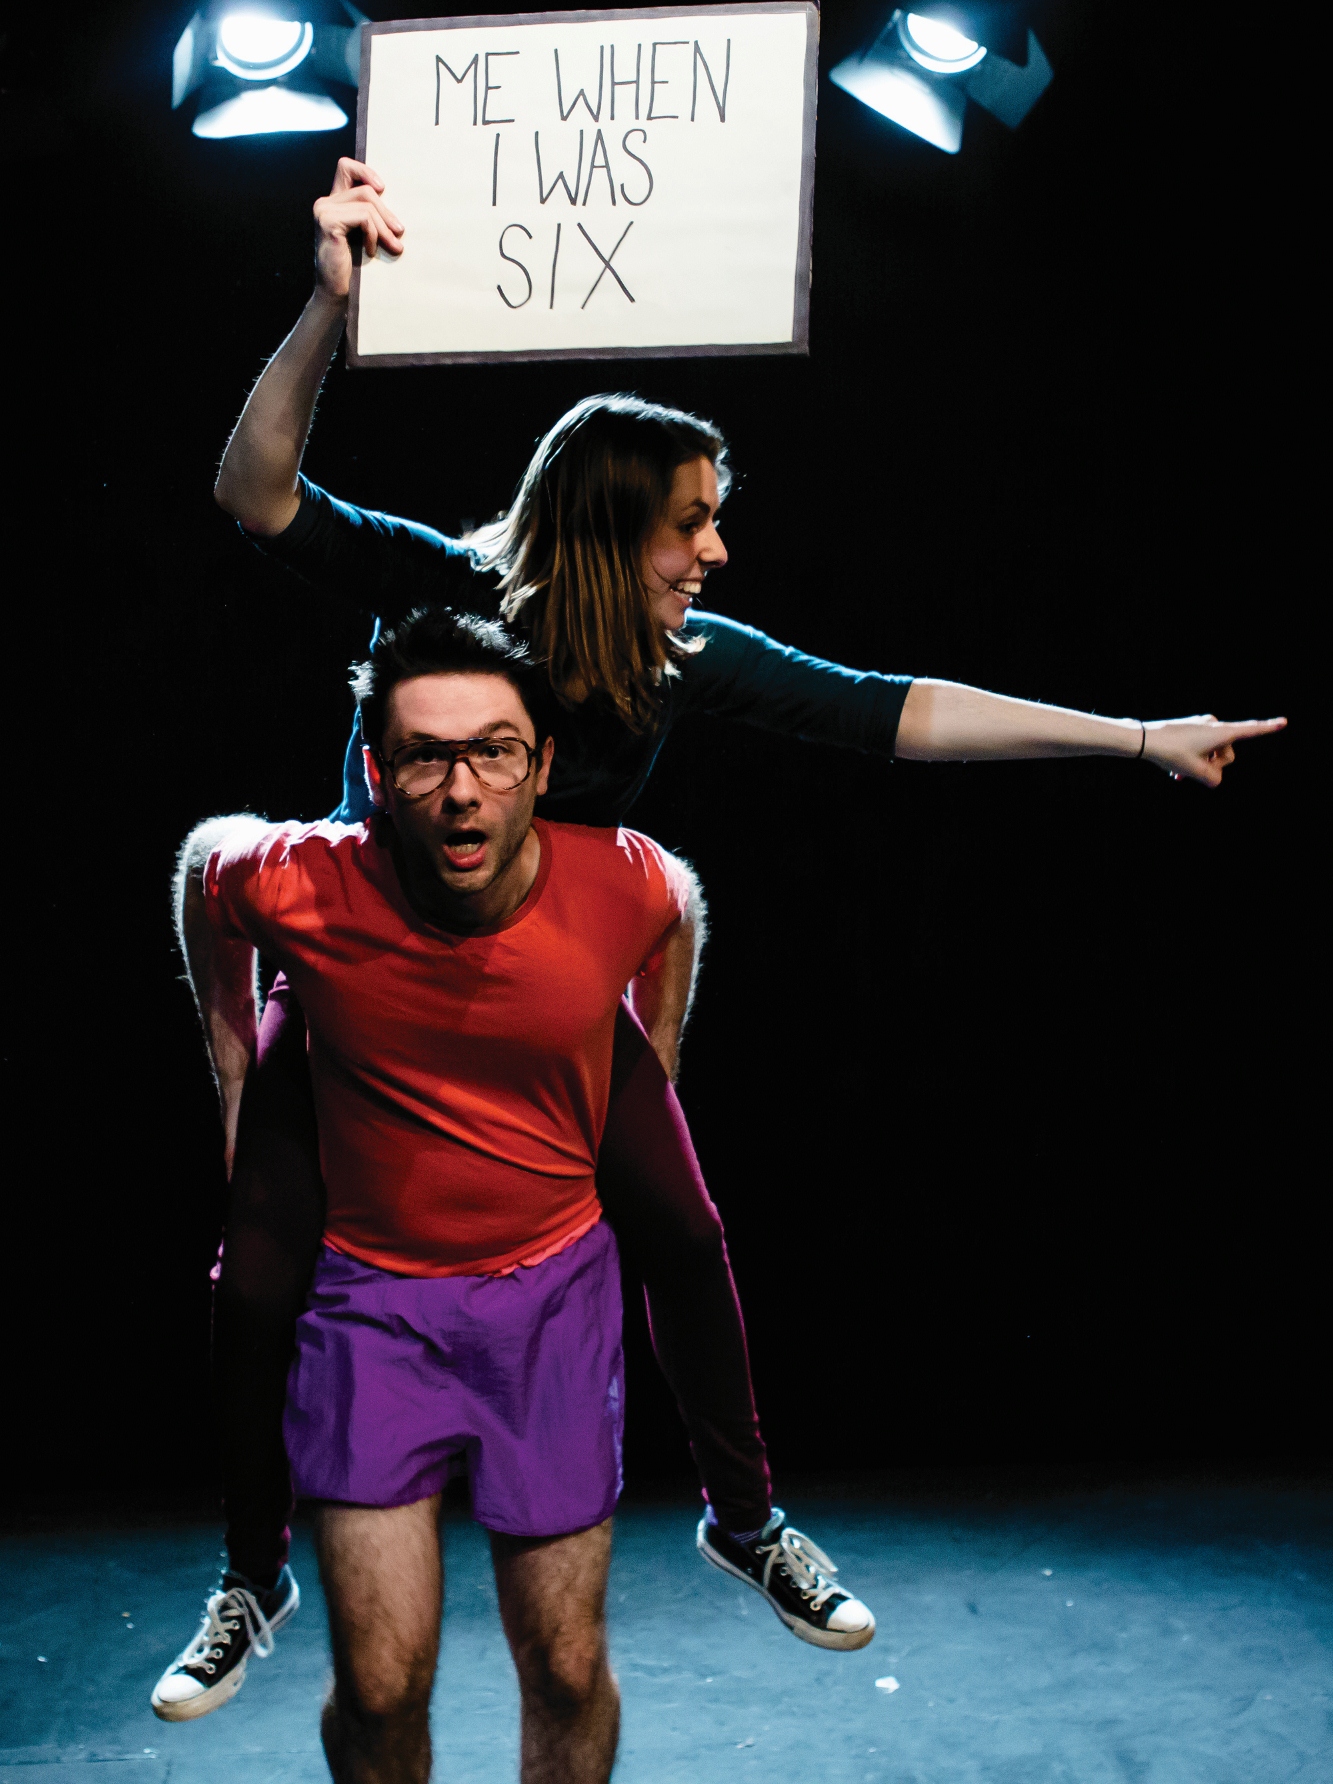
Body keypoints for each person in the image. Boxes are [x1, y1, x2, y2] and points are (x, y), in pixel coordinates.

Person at [158, 157, 1285, 1719]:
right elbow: (256, 495)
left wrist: (1137, 738)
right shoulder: (452, 594)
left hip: (546, 1003)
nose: (716, 549)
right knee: (255, 1282)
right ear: (615, 524)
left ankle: (745, 1523)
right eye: (694, 521)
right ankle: (249, 1571)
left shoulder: (681, 661)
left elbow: (892, 712)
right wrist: (325, 311)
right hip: (374, 995)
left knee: (682, 1234)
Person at [160, 607, 735, 1782]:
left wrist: (653, 1063)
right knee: (379, 1688)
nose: (461, 789)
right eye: (425, 756)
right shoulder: (308, 881)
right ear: (377, 776)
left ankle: (753, 1518)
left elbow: (675, 902)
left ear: (542, 764)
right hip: (371, 1307)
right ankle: (249, 1572)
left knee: (565, 1669)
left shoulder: (612, 877)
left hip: (551, 1301)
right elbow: (207, 866)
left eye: (493, 752)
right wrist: (233, 1068)